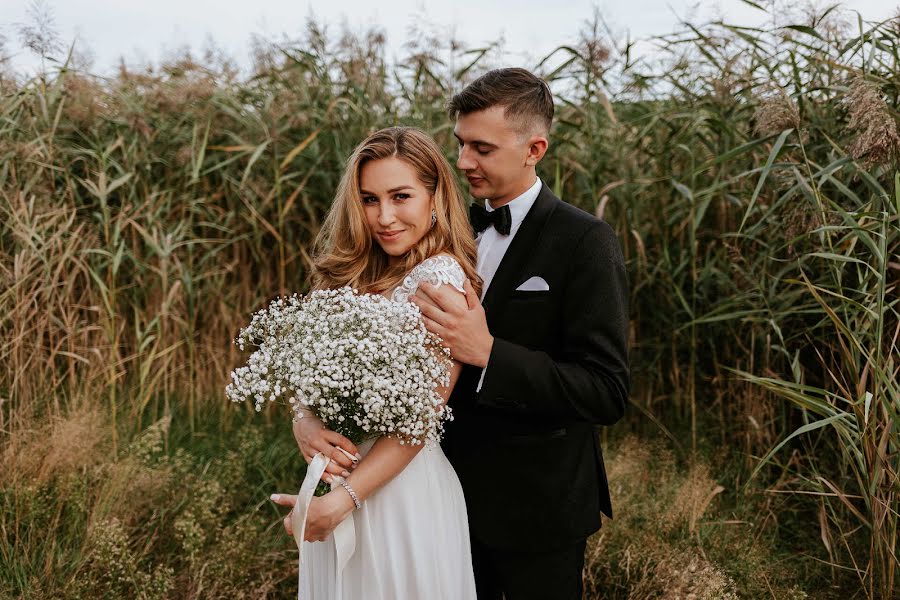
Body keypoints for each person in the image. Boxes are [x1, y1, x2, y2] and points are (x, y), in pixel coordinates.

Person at [408, 67, 630, 600]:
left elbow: (605, 391)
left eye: (481, 148)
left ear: (535, 148)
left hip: (540, 509)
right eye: (460, 145)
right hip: (442, 498)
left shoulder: (585, 241)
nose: (463, 162)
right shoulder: (445, 228)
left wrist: (488, 353)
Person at [271, 126, 480, 599]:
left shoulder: (439, 279)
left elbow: (422, 414)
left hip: (401, 494)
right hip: (341, 482)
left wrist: (340, 503)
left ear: (435, 197)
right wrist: (303, 422)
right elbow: (308, 376)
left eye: (400, 196)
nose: (384, 216)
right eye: (369, 199)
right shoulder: (355, 273)